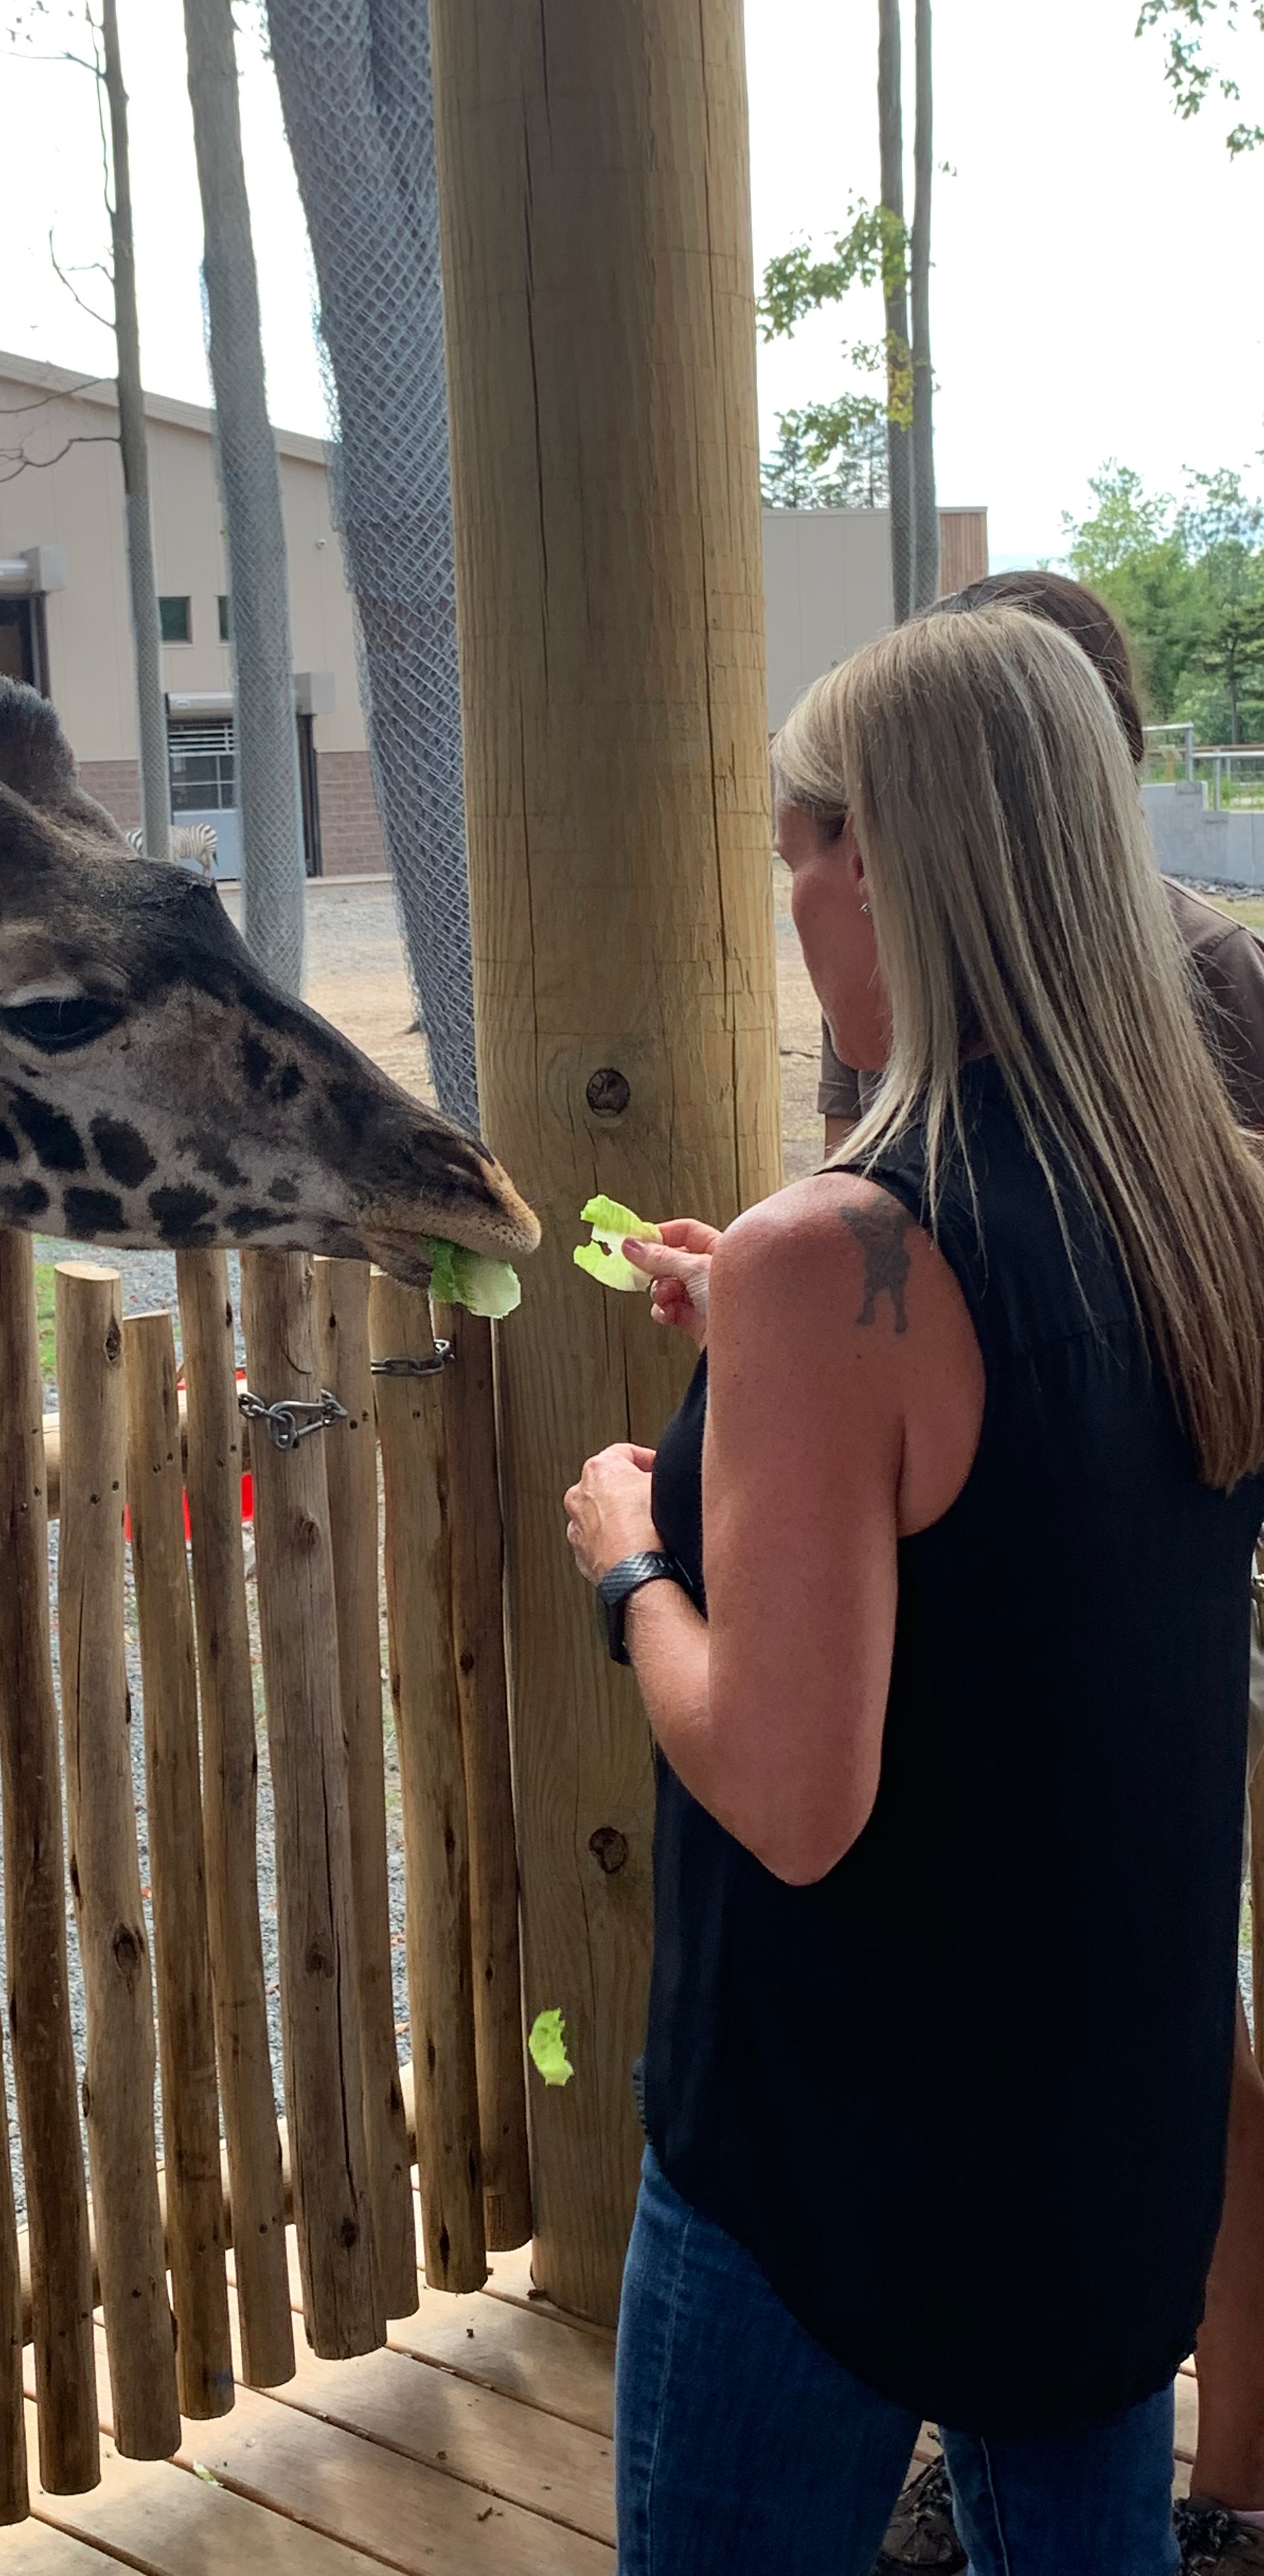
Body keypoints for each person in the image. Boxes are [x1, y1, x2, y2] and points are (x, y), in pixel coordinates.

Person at [564, 605, 1264, 2576]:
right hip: (1102, 2120)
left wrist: (635, 1558)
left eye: (797, 847)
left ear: (879, 859)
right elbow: (1051, 1503)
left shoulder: (841, 1258)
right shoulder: (1218, 1196)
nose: (790, 898)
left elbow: (796, 1802)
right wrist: (763, 1362)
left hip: (832, 2157)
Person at [816, 571, 1264, 2576]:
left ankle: (1227, 2470)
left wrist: (642, 1560)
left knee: (1196, 2023)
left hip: (1170, 1572)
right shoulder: (916, 1033)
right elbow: (903, 1270)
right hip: (1105, 1578)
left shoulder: (1225, 982)